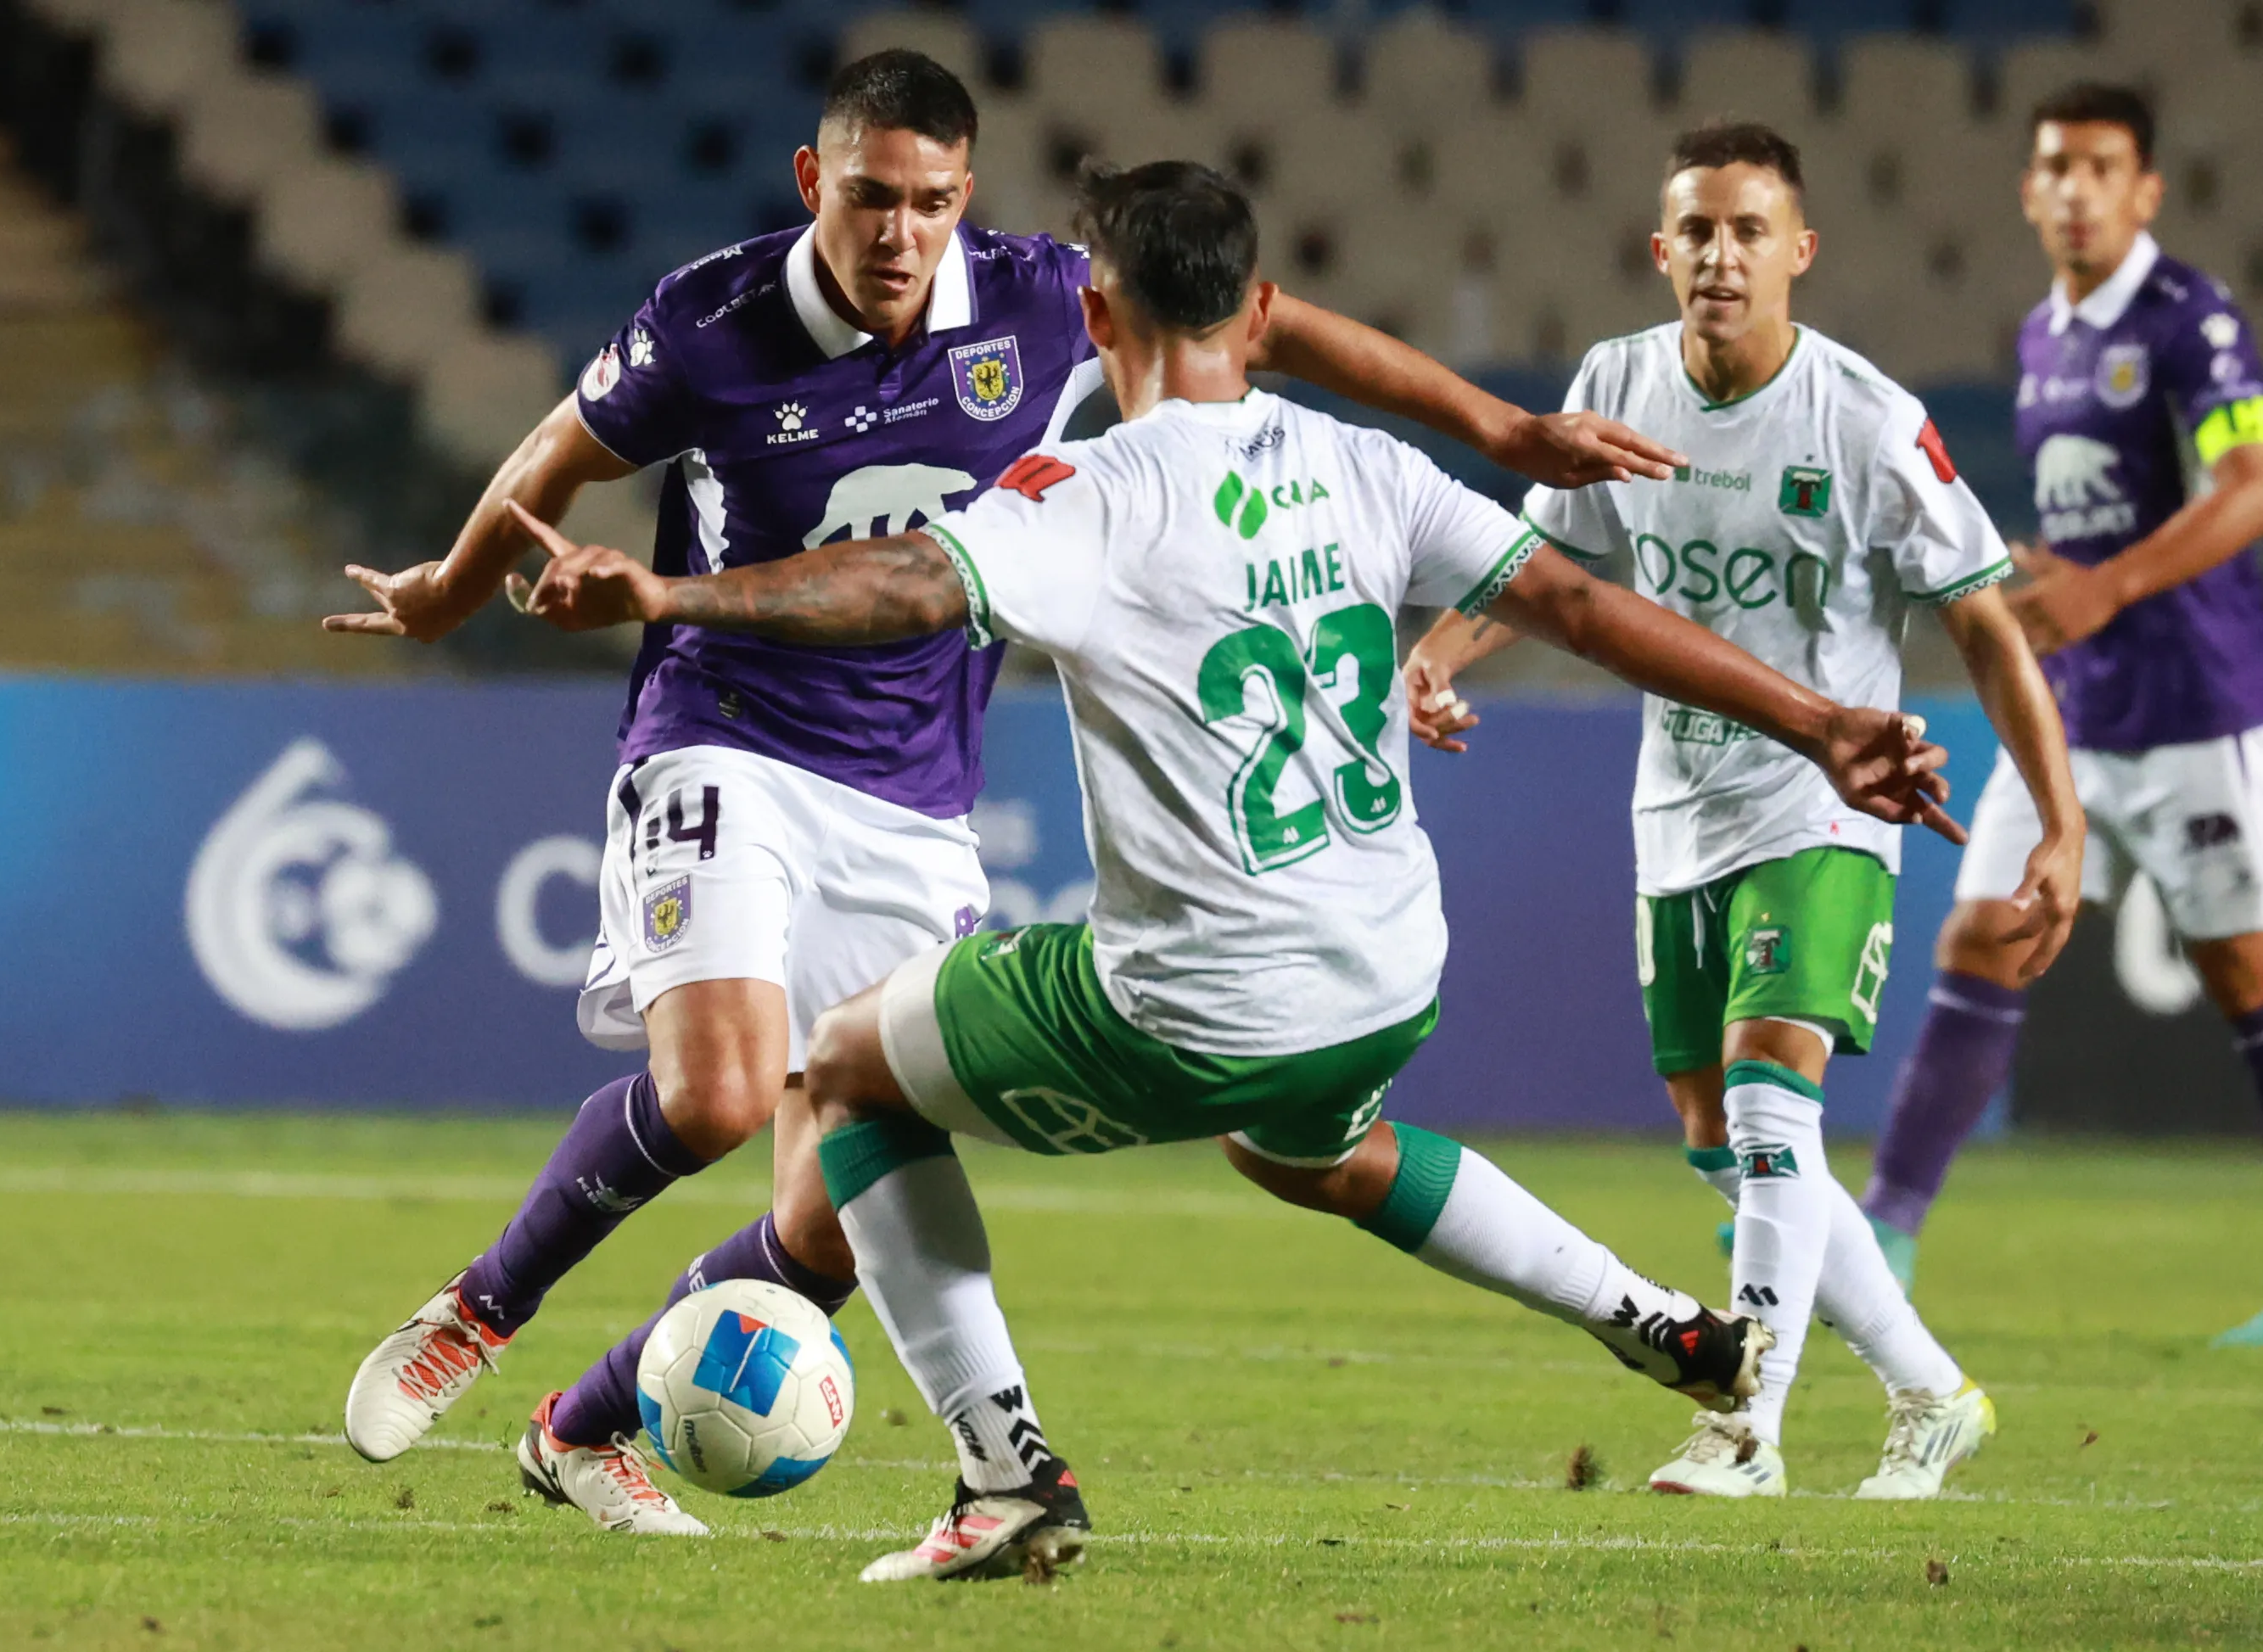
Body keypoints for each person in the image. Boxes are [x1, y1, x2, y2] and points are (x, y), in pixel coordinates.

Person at [511, 158, 1969, 1581]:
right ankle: (1659, 1320)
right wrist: (1824, 722)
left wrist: (671, 589)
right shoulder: (1369, 466)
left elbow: (903, 581)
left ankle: (1006, 1474)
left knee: (843, 1068)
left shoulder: (1089, 487)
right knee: (1304, 1149)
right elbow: (1581, 606)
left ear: (1096, 315)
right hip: (1388, 976)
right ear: (1260, 311)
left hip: (1192, 1002)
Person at [320, 48, 1684, 1532]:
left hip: (914, 792)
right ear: (813, 181)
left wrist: (1503, 432)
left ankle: (583, 1428)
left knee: (828, 1223)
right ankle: (478, 1308)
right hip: (724, 728)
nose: (900, 232)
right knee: (719, 1089)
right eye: (870, 197)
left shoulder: (1038, 298)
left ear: (966, 194)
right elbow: (557, 451)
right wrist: (451, 591)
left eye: (932, 202)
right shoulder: (711, 321)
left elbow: (1267, 320)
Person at [1402, 121, 2083, 1497]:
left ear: (1799, 252)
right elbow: (1541, 567)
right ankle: (1931, 1391)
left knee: (1773, 1106)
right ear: (1662, 249)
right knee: (1723, 1139)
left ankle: (1746, 1422)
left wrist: (2060, 819)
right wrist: (1438, 653)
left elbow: (1985, 622)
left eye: (1750, 232)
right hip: (1678, 808)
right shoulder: (1617, 384)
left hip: (1828, 803)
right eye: (1699, 232)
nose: (1722, 256)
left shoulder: (1865, 420)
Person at [1857, 85, 2263, 1346]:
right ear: (2030, 190)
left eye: (2102, 166)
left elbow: (2251, 483)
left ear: (2146, 189)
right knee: (1981, 935)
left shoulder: (2193, 321)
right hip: (2073, 707)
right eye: (2056, 167)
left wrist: (2109, 586)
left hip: (2196, 705)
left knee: (2243, 970)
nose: (2077, 189)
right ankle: (1882, 1235)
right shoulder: (2044, 334)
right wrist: (2058, 582)